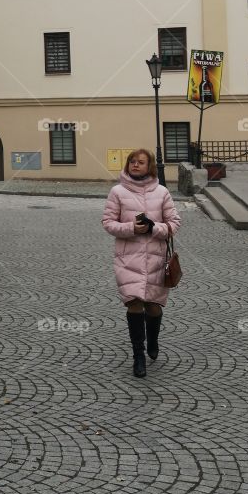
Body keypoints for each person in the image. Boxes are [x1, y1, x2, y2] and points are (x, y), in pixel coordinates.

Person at [102, 148, 180, 378]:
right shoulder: (117, 191)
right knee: (134, 303)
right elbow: (107, 222)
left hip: (156, 258)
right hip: (128, 259)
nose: (135, 165)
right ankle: (138, 355)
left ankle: (153, 340)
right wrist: (130, 229)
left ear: (150, 166)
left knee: (153, 307)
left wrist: (154, 228)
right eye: (132, 162)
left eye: (141, 162)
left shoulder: (163, 192)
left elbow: (174, 223)